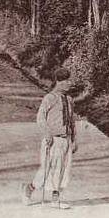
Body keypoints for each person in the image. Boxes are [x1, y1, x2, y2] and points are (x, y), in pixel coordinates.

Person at [22, 67, 77, 209]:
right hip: (53, 140)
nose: (70, 83)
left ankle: (54, 200)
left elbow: (72, 122)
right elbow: (40, 118)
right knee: (47, 169)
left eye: (70, 80)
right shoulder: (49, 98)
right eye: (67, 80)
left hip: (66, 140)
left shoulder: (69, 100)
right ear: (59, 82)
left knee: (63, 170)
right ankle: (29, 189)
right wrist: (47, 134)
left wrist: (74, 139)